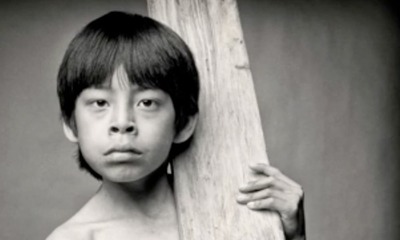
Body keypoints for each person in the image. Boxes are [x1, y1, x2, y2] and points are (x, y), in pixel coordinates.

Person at [47, 11, 305, 240]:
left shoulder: (233, 209)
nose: (122, 123)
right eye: (100, 102)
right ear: (71, 124)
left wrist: (293, 235)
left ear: (184, 123)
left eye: (146, 102)